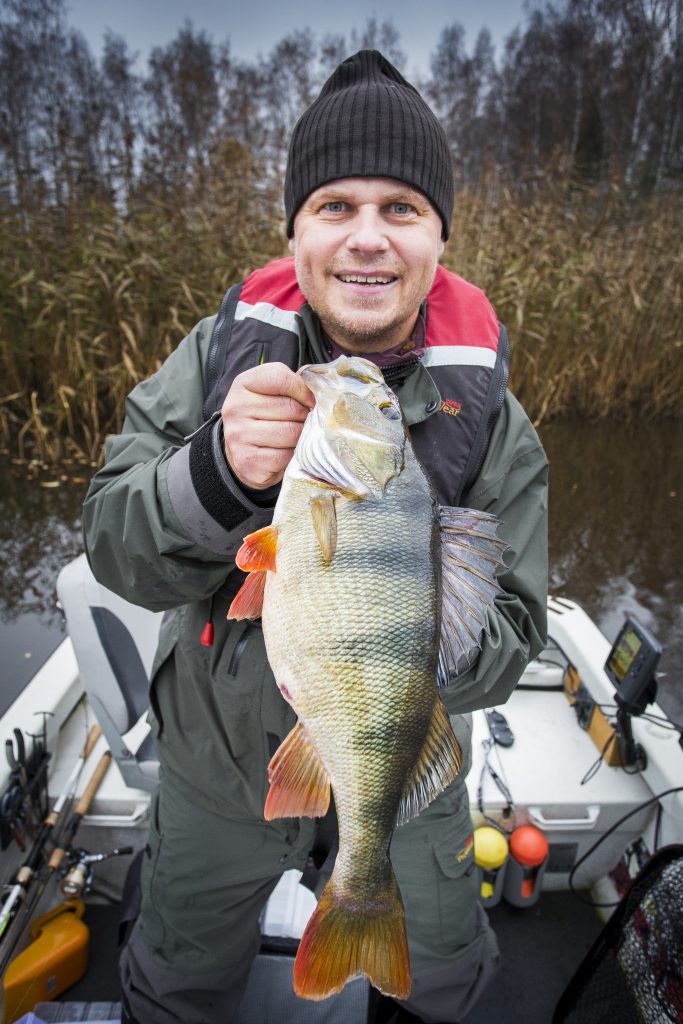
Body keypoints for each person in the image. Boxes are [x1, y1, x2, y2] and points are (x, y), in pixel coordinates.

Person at [83, 49, 548, 1024]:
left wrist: (415, 610)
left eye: (400, 209)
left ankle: (368, 899)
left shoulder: (490, 416)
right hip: (217, 776)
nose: (366, 238)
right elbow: (114, 542)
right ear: (293, 234)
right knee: (173, 987)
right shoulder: (219, 357)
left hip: (401, 785)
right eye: (334, 206)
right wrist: (210, 472)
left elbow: (507, 635)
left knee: (445, 988)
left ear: (437, 238)